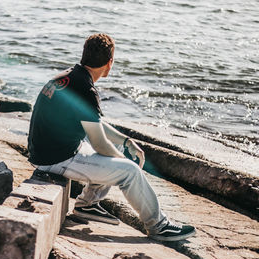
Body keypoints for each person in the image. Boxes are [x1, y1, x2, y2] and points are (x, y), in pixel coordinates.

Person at [27, 33, 196, 242]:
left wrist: (126, 141)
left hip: (47, 152)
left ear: (84, 55)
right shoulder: (86, 89)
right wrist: (124, 163)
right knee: (130, 172)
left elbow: (94, 124)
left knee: (109, 152)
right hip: (55, 159)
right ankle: (159, 227)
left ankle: (87, 205)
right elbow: (99, 143)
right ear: (110, 62)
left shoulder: (70, 76)